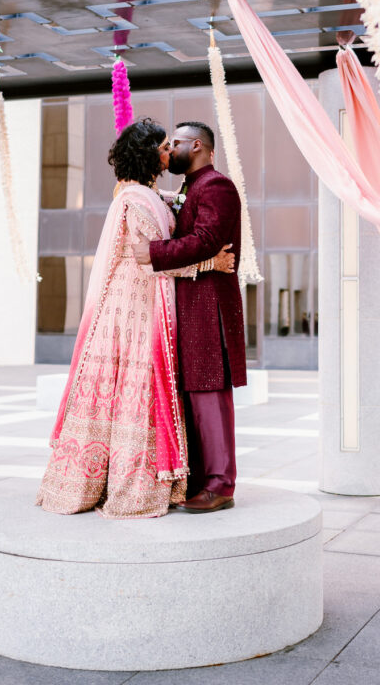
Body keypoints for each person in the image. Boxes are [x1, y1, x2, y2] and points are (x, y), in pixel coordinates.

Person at [36, 118, 234, 519]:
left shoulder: (145, 194)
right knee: (135, 389)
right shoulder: (134, 199)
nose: (168, 152)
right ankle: (127, 483)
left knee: (141, 390)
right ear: (148, 155)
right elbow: (147, 259)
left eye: (171, 145)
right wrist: (209, 262)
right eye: (163, 146)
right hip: (134, 307)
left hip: (147, 304)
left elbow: (162, 232)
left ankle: (163, 478)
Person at [133, 121, 247, 514]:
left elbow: (207, 241)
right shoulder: (190, 188)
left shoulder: (216, 185)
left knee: (210, 393)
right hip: (191, 304)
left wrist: (155, 252)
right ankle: (200, 480)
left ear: (197, 145)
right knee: (192, 395)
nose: (170, 152)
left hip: (209, 305)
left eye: (175, 144)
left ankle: (221, 484)